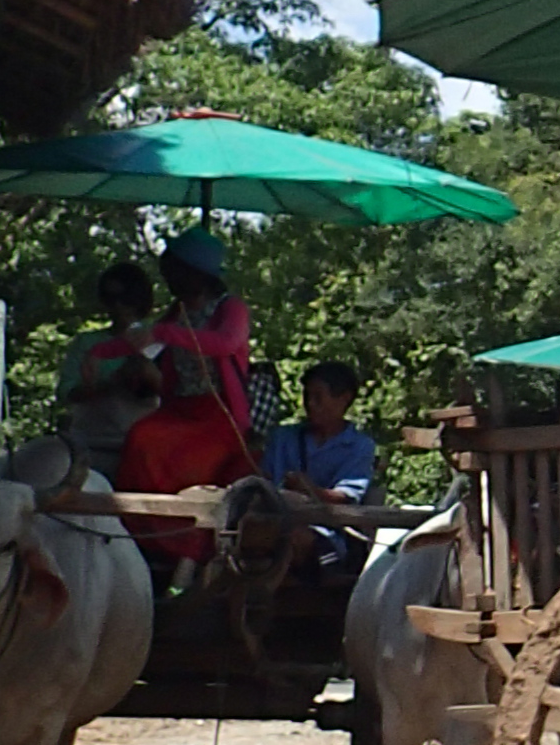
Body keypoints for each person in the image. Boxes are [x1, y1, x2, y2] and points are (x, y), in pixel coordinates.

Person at [114, 230, 256, 566]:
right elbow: (143, 346)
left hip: (219, 416)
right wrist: (101, 355)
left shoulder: (231, 309)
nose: (169, 282)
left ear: (196, 273)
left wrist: (165, 333)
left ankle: (183, 547)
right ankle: (137, 536)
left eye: (175, 273)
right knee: (140, 436)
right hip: (179, 409)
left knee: (164, 449)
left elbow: (224, 342)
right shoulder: (175, 313)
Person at [262, 359, 377, 579]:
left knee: (292, 538)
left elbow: (345, 497)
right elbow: (263, 479)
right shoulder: (283, 438)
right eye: (307, 397)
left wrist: (309, 489)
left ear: (344, 399)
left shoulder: (359, 447)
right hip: (273, 520)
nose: (310, 404)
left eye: (318, 397)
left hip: (326, 533)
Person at [58, 261, 163, 475]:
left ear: (140, 300)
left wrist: (146, 374)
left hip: (144, 447)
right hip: (91, 443)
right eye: (110, 299)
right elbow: (66, 392)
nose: (118, 306)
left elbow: (171, 392)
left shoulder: (158, 341)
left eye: (126, 299)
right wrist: (109, 384)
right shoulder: (87, 343)